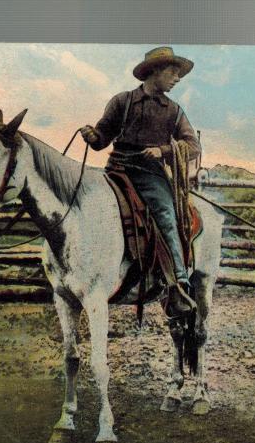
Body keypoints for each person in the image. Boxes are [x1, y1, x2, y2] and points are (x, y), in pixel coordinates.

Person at [80, 46, 200, 317]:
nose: (177, 78)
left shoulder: (174, 111)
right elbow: (102, 139)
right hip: (117, 169)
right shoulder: (122, 102)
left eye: (179, 74)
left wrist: (164, 151)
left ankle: (178, 281)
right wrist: (92, 136)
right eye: (173, 72)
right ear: (154, 72)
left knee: (166, 214)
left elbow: (192, 145)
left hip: (150, 175)